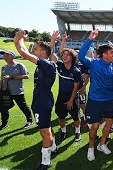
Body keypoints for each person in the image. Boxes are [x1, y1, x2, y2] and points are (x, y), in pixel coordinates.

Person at [14, 30, 57, 170]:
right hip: (41, 100)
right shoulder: (45, 63)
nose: (34, 49)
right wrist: (20, 40)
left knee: (44, 131)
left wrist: (18, 38)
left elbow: (23, 52)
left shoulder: (47, 64)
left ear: (43, 52)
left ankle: (46, 162)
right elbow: (25, 50)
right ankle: (53, 146)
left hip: (42, 101)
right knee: (46, 127)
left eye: (36, 48)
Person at [78, 30, 113, 161]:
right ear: (103, 55)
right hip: (95, 100)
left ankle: (102, 144)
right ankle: (91, 147)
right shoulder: (94, 63)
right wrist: (90, 39)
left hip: (109, 100)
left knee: (109, 122)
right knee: (95, 126)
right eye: (111, 52)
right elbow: (80, 56)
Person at [50, 31, 82, 142]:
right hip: (61, 97)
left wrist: (71, 101)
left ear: (72, 57)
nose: (64, 56)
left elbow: (76, 88)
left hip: (73, 98)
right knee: (61, 117)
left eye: (67, 55)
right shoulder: (59, 66)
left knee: (76, 117)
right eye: (63, 55)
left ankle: (78, 133)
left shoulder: (76, 71)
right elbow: (51, 53)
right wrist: (54, 39)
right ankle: (63, 132)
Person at [0, 50, 33, 130]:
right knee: (3, 108)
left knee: (23, 107)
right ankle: (4, 124)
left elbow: (26, 76)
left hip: (17, 91)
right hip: (6, 92)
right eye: (4, 56)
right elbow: (2, 80)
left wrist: (11, 77)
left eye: (7, 55)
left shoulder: (19, 65)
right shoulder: (4, 67)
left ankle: (30, 121)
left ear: (13, 56)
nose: (5, 57)